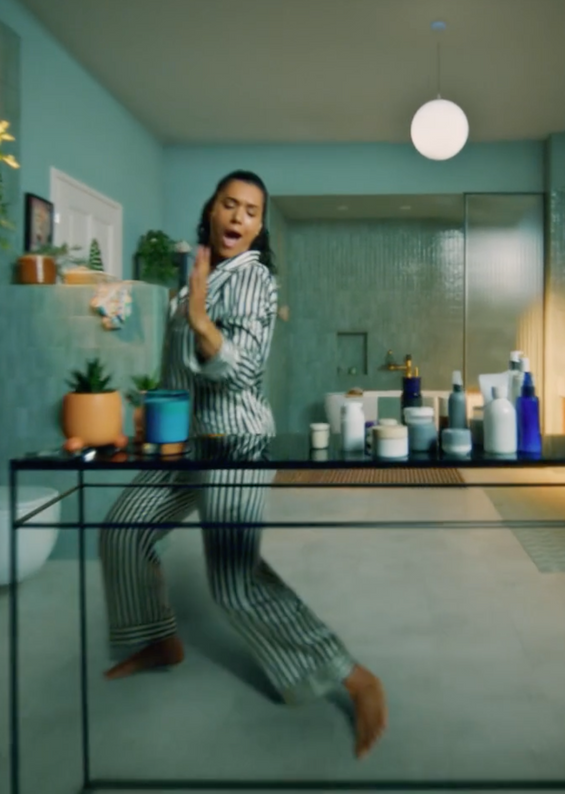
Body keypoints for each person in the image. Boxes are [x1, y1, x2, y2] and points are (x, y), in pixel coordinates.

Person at [99, 171, 388, 759]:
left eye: (252, 212)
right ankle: (157, 641)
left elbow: (244, 368)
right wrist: (150, 414)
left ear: (259, 228)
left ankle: (354, 677)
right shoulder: (195, 281)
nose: (238, 218)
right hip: (185, 442)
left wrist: (203, 319)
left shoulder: (253, 279)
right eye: (229, 205)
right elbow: (178, 370)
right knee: (123, 530)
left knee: (234, 582)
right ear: (211, 210)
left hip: (233, 441)